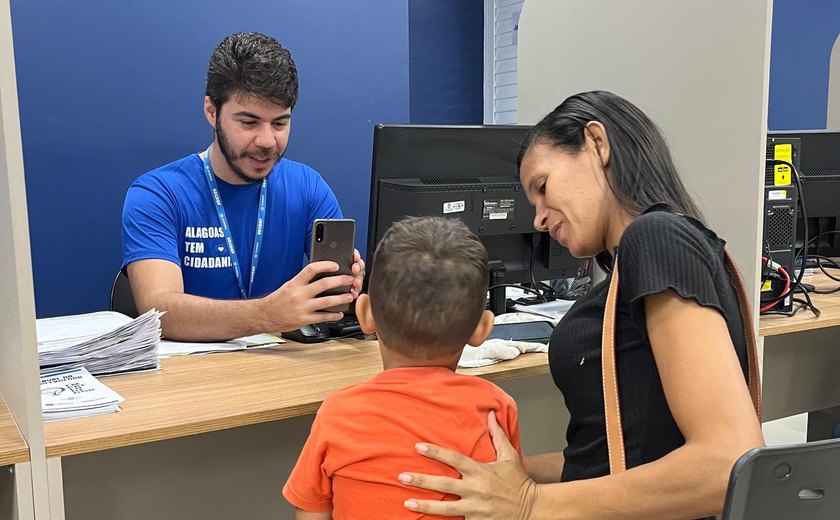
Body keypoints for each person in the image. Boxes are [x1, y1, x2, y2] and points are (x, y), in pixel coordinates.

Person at [397, 91, 765, 519]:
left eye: (542, 187)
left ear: (597, 143)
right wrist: (509, 477)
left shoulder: (656, 238)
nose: (537, 218)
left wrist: (529, 503)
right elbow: (619, 453)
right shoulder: (645, 257)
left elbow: (727, 464)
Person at [121, 32, 363, 341]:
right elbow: (159, 312)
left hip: (283, 368)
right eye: (248, 123)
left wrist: (350, 282)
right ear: (212, 111)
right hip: (191, 377)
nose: (266, 141)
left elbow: (336, 289)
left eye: (280, 123)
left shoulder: (308, 186)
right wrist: (267, 314)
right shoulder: (157, 193)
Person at [283, 216, 526, 519]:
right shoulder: (496, 408)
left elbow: (310, 512)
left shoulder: (339, 411)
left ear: (365, 315)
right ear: (482, 329)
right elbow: (511, 494)